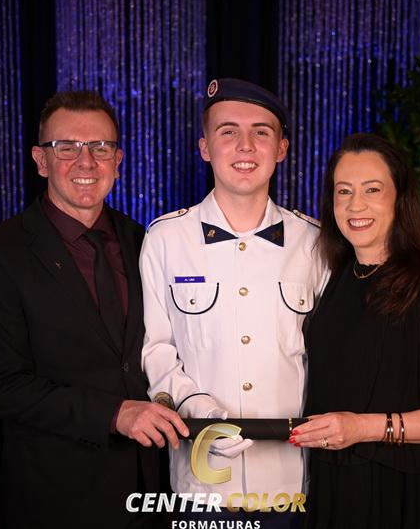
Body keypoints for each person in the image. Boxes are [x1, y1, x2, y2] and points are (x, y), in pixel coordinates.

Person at [0, 90, 188, 529]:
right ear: (41, 160)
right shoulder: (0, 253)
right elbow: (4, 387)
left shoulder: (145, 241)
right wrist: (114, 413)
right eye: (66, 147)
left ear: (117, 160)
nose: (86, 162)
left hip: (151, 490)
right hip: (55, 495)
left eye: (100, 148)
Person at [140, 78, 327, 527]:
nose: (246, 146)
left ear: (281, 149)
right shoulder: (165, 239)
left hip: (290, 485)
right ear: (205, 148)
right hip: (199, 484)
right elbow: (156, 349)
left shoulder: (316, 242)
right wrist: (197, 409)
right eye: (228, 132)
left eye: (261, 132)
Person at [289, 133, 420, 528]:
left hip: (408, 493)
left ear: (400, 199)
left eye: (372, 189)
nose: (355, 205)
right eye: (343, 191)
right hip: (337, 486)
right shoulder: (336, 278)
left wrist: (362, 427)